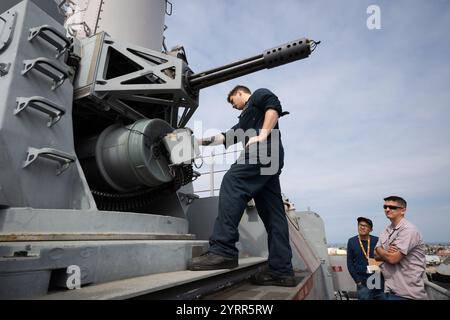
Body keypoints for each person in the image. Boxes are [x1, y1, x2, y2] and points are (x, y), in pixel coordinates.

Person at [187, 85, 296, 287]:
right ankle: (282, 272)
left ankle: (223, 251)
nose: (233, 106)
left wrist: (262, 135)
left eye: (232, 101)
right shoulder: (244, 121)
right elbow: (223, 137)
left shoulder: (259, 95)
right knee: (274, 216)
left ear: (239, 93)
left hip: (263, 151)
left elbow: (273, 108)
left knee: (233, 182)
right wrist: (196, 142)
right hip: (270, 162)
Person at [374, 196, 428, 300]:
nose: (387, 209)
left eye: (392, 207)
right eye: (385, 206)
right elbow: (375, 255)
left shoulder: (409, 230)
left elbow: (393, 259)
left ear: (403, 210)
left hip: (408, 293)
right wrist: (385, 252)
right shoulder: (386, 230)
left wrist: (380, 250)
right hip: (390, 290)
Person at [346, 217, 385, 300]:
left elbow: (384, 257)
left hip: (379, 281)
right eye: (360, 225)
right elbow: (349, 263)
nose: (362, 227)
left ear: (371, 229)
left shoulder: (377, 240)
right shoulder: (352, 241)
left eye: (365, 226)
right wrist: (358, 281)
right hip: (363, 283)